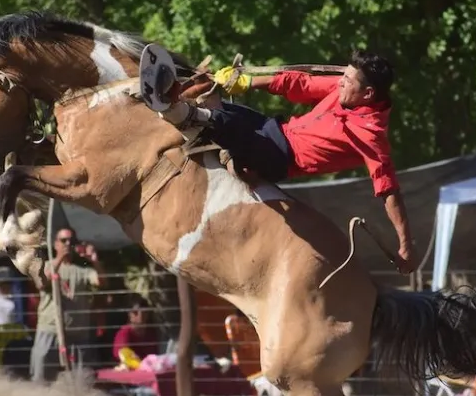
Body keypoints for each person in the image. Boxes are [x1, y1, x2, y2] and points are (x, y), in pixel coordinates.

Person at [140, 44, 416, 273]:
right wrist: (247, 83)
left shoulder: (372, 136)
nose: (340, 82)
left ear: (368, 94)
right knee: (218, 101)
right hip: (277, 130)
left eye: (347, 81)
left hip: (280, 157)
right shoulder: (347, 89)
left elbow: (388, 190)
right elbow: (300, 83)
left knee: (223, 120)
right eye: (343, 76)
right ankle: (176, 93)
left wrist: (406, 246)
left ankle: (173, 110)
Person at [31, 227, 104, 381]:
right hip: (50, 330)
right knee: (42, 378)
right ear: (55, 244)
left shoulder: (82, 270)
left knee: (82, 380)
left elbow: (101, 281)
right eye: (64, 240)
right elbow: (41, 283)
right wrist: (59, 259)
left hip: (77, 333)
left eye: (72, 240)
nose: (68, 243)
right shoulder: (45, 265)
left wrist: (95, 260)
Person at [112, 296, 161, 369]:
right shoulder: (124, 333)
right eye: (135, 312)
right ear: (129, 314)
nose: (140, 316)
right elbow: (121, 355)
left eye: (144, 312)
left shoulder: (151, 333)